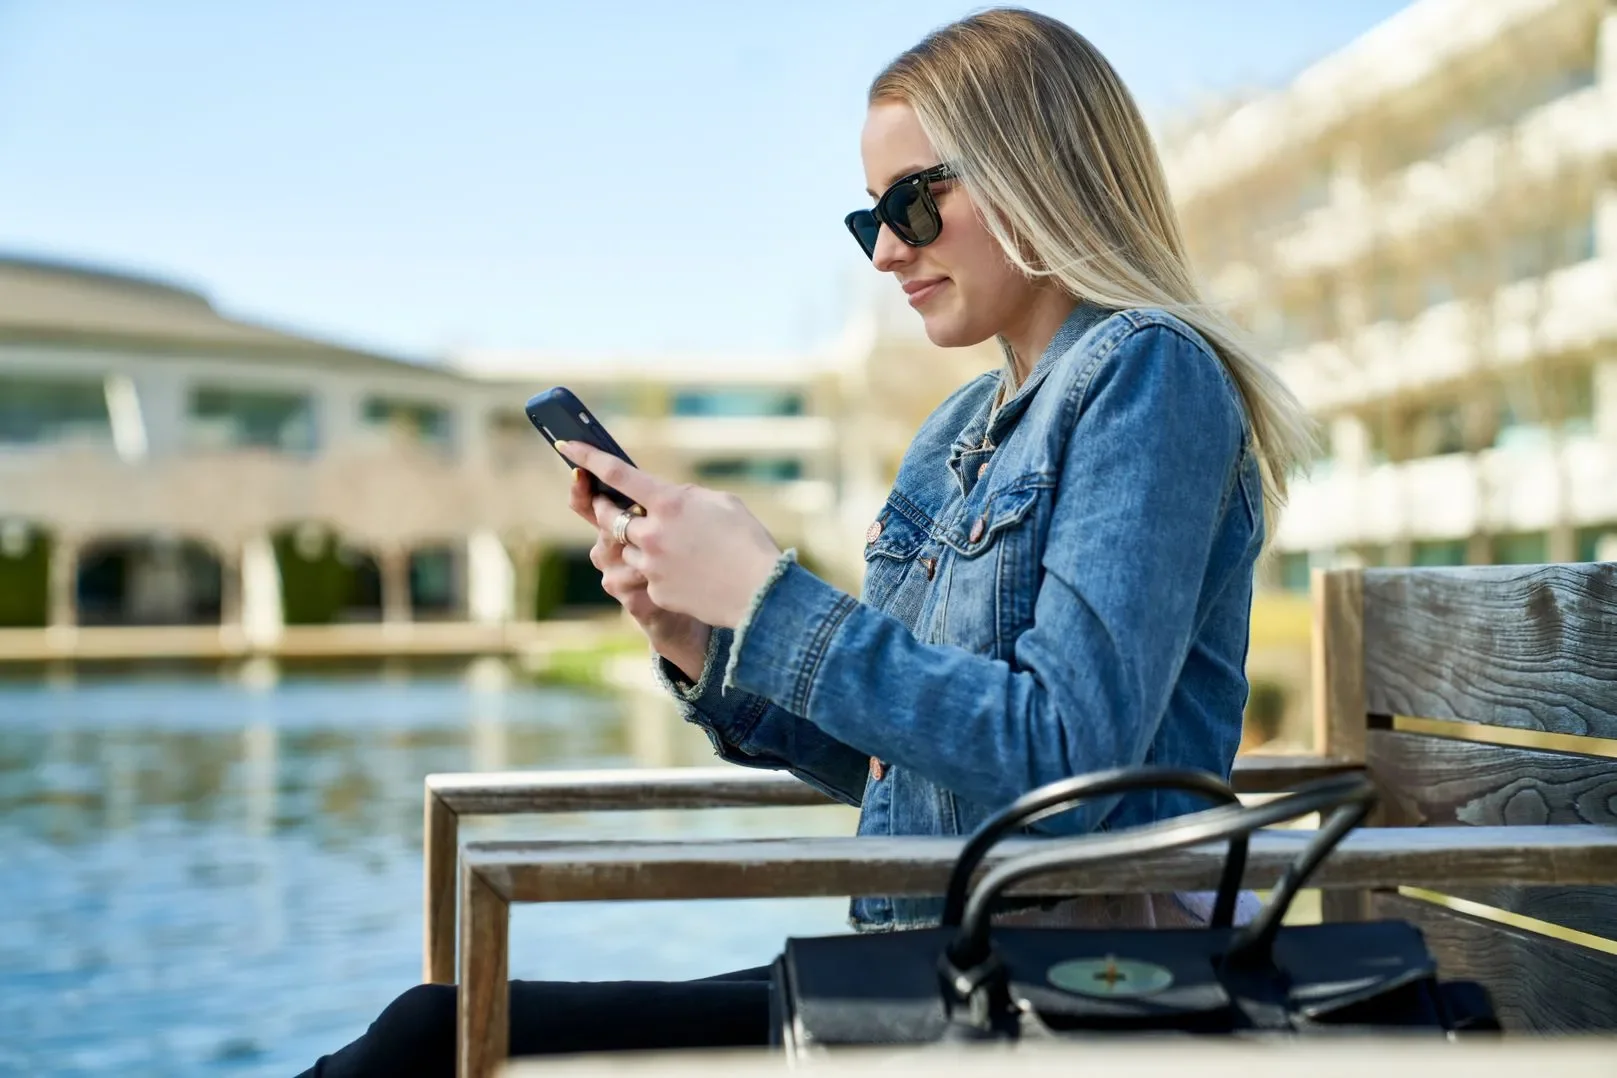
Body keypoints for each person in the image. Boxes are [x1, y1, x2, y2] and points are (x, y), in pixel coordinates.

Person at [297, 7, 1313, 1075]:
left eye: (914, 202)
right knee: (430, 1029)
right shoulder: (956, 431)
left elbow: (1069, 755)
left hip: (1070, 991)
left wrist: (770, 596)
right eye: (868, 216)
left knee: (423, 1047)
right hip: (931, 966)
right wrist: (705, 636)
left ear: (1037, 170)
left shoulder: (1148, 374)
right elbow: (897, 766)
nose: (885, 250)